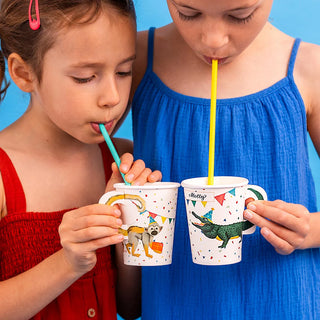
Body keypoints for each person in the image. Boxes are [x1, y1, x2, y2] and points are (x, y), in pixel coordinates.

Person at [129, 0, 320, 319]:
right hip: (174, 303)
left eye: (239, 15)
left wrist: (311, 230)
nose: (213, 39)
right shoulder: (135, 57)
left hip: (283, 303)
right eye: (187, 13)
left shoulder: (309, 69)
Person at [0, 0, 161, 319]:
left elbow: (131, 307)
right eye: (86, 77)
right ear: (24, 73)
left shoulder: (122, 160)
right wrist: (68, 263)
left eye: (124, 71)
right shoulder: (4, 175)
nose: (113, 97)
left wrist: (129, 223)